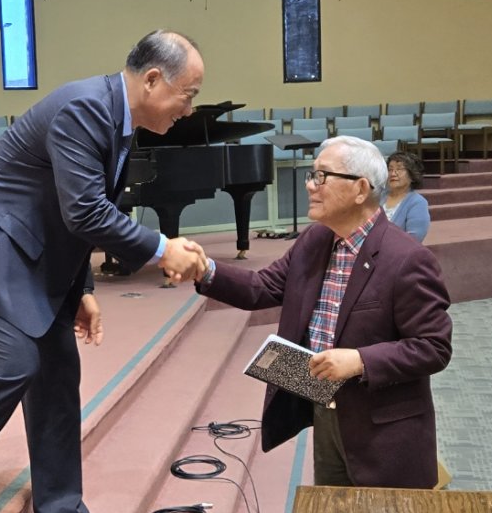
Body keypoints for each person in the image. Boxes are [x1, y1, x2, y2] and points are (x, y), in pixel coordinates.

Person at [0, 30, 207, 513]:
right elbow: (85, 211)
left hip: (25, 249)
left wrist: (80, 288)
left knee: (58, 372)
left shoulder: (117, 118)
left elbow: (70, 213)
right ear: (153, 80)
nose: (189, 109)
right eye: (188, 94)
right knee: (12, 365)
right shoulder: (85, 108)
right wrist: (161, 249)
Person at [190, 135, 452, 488]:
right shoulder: (314, 241)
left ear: (360, 189)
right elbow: (261, 287)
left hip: (383, 431)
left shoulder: (407, 259)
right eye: (312, 175)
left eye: (322, 176)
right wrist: (204, 269)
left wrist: (359, 360)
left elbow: (433, 347)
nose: (310, 185)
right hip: (327, 413)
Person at [383, 150, 430, 242]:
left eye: (399, 169)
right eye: (390, 169)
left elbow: (413, 239)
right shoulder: (378, 196)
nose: (393, 174)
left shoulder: (417, 202)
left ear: (412, 175)